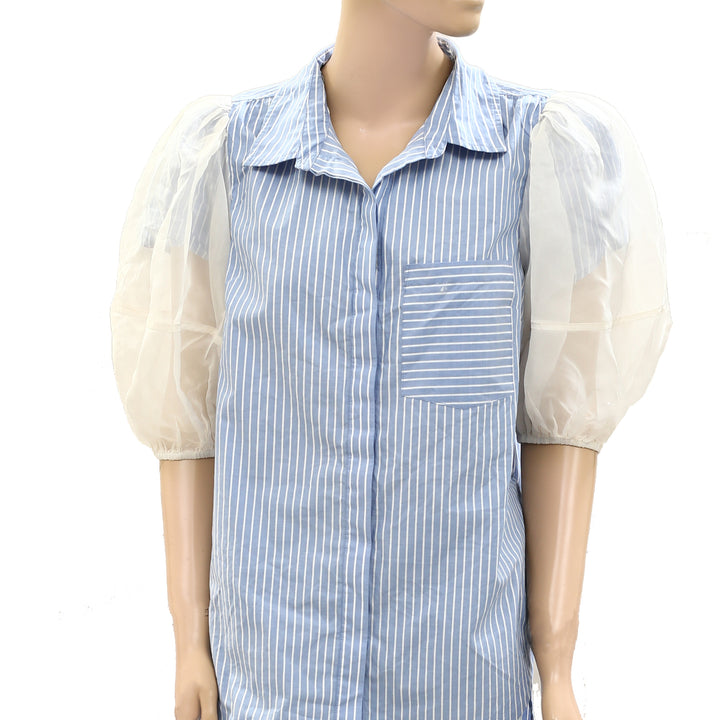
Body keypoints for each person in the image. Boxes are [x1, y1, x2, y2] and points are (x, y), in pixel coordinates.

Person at [109, 1, 672, 719]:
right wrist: (190, 640)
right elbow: (186, 423)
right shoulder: (226, 157)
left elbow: (561, 429)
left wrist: (556, 667)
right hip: (276, 679)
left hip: (458, 682)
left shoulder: (537, 153)